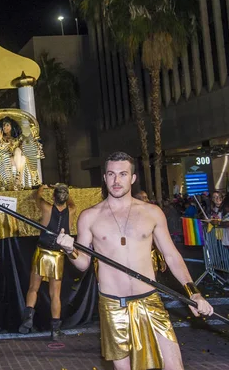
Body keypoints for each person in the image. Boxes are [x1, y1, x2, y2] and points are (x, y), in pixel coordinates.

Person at [57, 151, 214, 370]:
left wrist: (193, 292)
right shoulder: (89, 216)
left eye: (122, 174)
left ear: (132, 178)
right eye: (111, 174)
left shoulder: (152, 213)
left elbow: (171, 255)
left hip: (150, 302)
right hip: (113, 306)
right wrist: (69, 249)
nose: (116, 180)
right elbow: (83, 263)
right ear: (104, 178)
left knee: (174, 365)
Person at [19, 183, 75, 340]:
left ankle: (28, 316)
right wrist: (63, 188)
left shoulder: (46, 208)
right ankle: (55, 330)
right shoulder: (72, 211)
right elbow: (71, 202)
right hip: (58, 254)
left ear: (53, 196)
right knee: (55, 294)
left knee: (33, 288)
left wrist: (42, 187)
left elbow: (37, 197)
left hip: (42, 252)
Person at [0, 116, 43, 191]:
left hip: (16, 161)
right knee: (17, 155)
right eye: (3, 125)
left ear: (12, 126)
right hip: (5, 161)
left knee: (22, 156)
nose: (5, 127)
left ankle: (18, 176)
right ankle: (18, 178)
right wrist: (0, 142)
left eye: (7, 125)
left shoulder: (17, 139)